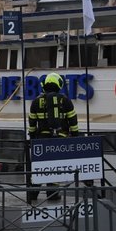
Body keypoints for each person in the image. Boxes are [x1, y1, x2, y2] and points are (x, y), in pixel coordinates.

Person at [26, 72, 79, 204]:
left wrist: (32, 137)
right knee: (55, 166)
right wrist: (75, 136)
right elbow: (73, 121)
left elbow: (32, 123)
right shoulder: (65, 100)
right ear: (58, 84)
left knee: (38, 167)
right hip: (59, 140)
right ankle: (53, 193)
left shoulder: (36, 101)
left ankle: (33, 193)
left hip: (40, 140)